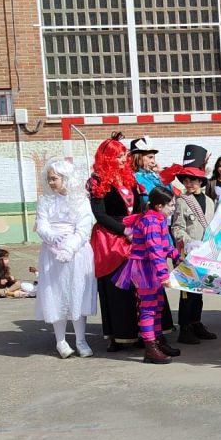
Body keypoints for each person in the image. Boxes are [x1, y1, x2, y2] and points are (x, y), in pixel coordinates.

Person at [89, 133, 169, 351]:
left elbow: (139, 207)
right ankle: (121, 334)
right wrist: (124, 230)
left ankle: (149, 334)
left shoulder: (129, 178)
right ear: (107, 158)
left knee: (144, 284)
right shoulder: (96, 180)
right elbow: (100, 214)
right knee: (118, 288)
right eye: (119, 156)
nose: (124, 159)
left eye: (124, 155)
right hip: (110, 240)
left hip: (134, 234)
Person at [35, 157, 98, 359]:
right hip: (51, 253)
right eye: (49, 178)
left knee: (77, 293)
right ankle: (60, 340)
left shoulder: (81, 201)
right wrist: (52, 238)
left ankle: (80, 339)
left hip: (76, 253)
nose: (51, 182)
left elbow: (83, 228)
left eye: (55, 178)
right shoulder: (45, 201)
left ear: (67, 178)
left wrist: (69, 248)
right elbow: (42, 224)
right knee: (56, 293)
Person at [115, 186, 182, 365]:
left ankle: (158, 341)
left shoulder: (158, 219)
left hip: (150, 267)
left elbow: (163, 245)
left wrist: (176, 255)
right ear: (160, 206)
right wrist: (163, 275)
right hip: (145, 269)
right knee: (148, 309)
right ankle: (150, 348)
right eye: (171, 205)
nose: (173, 208)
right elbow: (154, 250)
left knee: (157, 305)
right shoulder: (151, 222)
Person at [165, 144, 219, 345]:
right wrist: (188, 243)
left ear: (201, 181)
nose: (189, 183)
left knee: (200, 290)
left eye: (193, 179)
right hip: (187, 253)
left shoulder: (211, 202)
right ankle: (185, 328)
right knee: (187, 292)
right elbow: (176, 228)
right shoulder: (181, 201)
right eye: (186, 179)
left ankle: (197, 323)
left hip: (204, 254)